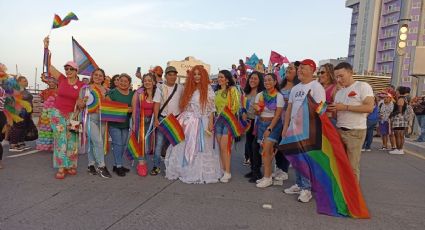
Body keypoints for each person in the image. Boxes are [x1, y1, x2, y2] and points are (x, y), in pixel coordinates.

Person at [165, 65, 220, 183]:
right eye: (194, 74)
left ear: (203, 75)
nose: (196, 76)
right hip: (187, 121)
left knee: (202, 147)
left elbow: (211, 108)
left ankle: (200, 172)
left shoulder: (208, 89)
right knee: (183, 146)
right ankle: (184, 170)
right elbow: (183, 105)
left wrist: (210, 122)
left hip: (202, 122)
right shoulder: (188, 88)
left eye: (199, 74)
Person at [282, 59, 326, 203]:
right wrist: (286, 128)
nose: (299, 70)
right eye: (299, 68)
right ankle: (299, 184)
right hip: (294, 129)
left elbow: (321, 109)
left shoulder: (316, 86)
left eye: (303, 68)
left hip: (309, 131)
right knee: (296, 159)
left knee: (305, 160)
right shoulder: (295, 88)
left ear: (312, 70)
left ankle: (306, 189)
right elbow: (289, 109)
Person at [44, 36, 85, 179]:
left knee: (72, 140)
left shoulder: (81, 85)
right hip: (57, 113)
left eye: (71, 69)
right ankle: (61, 166)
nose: (68, 71)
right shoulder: (61, 79)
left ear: (76, 71)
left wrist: (82, 103)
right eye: (66, 68)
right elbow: (49, 67)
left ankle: (71, 165)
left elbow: (84, 101)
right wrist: (45, 48)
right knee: (61, 140)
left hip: (73, 115)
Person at [329, 62, 374, 181]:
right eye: (336, 77)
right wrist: (329, 110)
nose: (338, 79)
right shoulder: (339, 93)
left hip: (355, 131)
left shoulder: (362, 86)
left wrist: (345, 107)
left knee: (352, 167)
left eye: (341, 76)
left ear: (351, 72)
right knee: (339, 166)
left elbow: (369, 107)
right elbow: (336, 114)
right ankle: (344, 194)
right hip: (339, 130)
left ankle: (353, 198)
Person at [79, 68, 112, 178]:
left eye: (100, 75)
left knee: (95, 142)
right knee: (98, 141)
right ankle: (102, 166)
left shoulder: (106, 90)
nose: (98, 77)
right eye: (96, 75)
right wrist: (84, 101)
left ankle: (90, 165)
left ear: (103, 78)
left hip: (102, 120)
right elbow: (80, 105)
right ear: (92, 76)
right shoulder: (85, 88)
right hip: (90, 118)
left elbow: (110, 104)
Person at [152, 66, 183, 175]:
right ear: (166, 76)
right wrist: (155, 118)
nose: (172, 77)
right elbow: (156, 103)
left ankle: (172, 167)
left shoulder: (180, 87)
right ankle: (156, 166)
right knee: (159, 144)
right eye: (170, 74)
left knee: (174, 144)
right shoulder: (160, 87)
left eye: (174, 74)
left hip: (176, 119)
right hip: (163, 119)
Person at [254, 73, 284, 188]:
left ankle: (267, 178)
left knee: (266, 150)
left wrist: (270, 128)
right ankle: (267, 175)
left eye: (270, 80)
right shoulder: (260, 95)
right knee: (265, 151)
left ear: (275, 82)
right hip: (261, 124)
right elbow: (257, 113)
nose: (267, 82)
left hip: (273, 125)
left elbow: (277, 115)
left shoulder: (279, 96)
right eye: (265, 80)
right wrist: (257, 110)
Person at [273, 61, 301, 183]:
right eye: (288, 68)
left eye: (291, 69)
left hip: (290, 121)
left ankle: (284, 170)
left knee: (285, 146)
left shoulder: (298, 88)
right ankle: (279, 168)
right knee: (278, 144)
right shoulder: (280, 85)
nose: (288, 70)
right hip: (278, 119)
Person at [214, 69, 240, 183]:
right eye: (219, 77)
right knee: (220, 148)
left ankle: (228, 172)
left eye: (222, 77)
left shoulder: (232, 90)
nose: (219, 79)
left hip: (228, 120)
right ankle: (223, 170)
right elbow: (213, 107)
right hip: (218, 121)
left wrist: (225, 114)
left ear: (227, 79)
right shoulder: (216, 92)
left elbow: (236, 106)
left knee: (225, 147)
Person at [107, 73, 134, 176]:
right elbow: (108, 107)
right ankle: (118, 166)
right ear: (118, 82)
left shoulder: (132, 94)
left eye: (125, 81)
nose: (123, 83)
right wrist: (125, 109)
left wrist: (130, 110)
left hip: (126, 124)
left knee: (123, 145)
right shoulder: (112, 93)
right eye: (121, 81)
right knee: (118, 144)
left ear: (129, 83)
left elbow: (133, 108)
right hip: (114, 124)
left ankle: (116, 164)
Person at [241, 71, 265, 183]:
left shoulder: (262, 94)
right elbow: (242, 106)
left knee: (255, 147)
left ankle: (257, 172)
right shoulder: (245, 93)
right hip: (248, 123)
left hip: (258, 123)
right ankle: (252, 169)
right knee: (249, 146)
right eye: (251, 78)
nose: (252, 80)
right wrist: (243, 112)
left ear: (260, 81)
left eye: (255, 79)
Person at [131, 73, 156, 176]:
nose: (147, 82)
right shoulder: (138, 93)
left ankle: (147, 162)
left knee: (149, 144)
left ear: (154, 82)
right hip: (140, 121)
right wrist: (133, 123)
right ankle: (142, 164)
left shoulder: (157, 93)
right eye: (145, 80)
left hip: (152, 122)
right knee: (140, 143)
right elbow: (134, 109)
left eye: (149, 80)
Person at [8, 76, 33, 152]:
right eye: (24, 81)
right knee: (17, 127)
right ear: (19, 82)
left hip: (26, 112)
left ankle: (20, 142)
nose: (26, 82)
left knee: (24, 127)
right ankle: (13, 144)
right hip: (19, 111)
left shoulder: (24, 90)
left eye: (26, 80)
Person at [389, 86, 413, 155]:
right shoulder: (405, 98)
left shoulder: (400, 99)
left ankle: (398, 149)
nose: (396, 92)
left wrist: (391, 115)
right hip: (403, 119)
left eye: (397, 91)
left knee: (398, 134)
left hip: (399, 119)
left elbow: (399, 110)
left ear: (399, 91)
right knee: (401, 135)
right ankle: (400, 149)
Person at [36, 74, 57, 151]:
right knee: (46, 130)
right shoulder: (44, 92)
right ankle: (46, 145)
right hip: (45, 113)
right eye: (49, 82)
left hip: (55, 113)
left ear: (56, 83)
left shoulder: (59, 91)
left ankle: (55, 145)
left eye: (52, 82)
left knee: (55, 129)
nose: (51, 83)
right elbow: (41, 101)